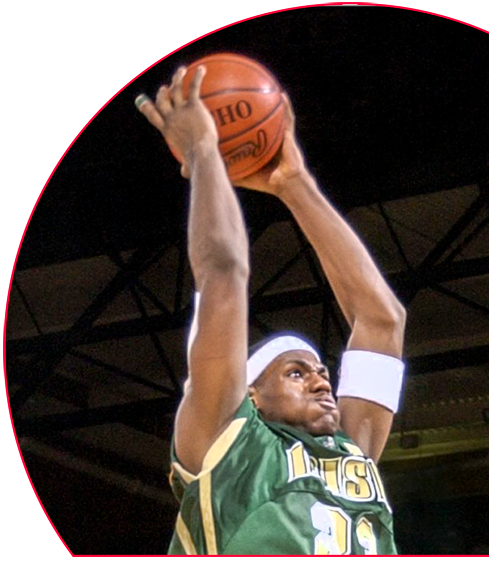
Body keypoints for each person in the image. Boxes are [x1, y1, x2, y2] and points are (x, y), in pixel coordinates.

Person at [136, 65, 406, 555]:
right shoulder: (225, 438)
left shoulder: (352, 451)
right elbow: (222, 273)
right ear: (251, 396)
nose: (323, 381)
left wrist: (294, 182)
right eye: (297, 373)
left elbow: (382, 320)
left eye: (320, 371)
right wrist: (203, 152)